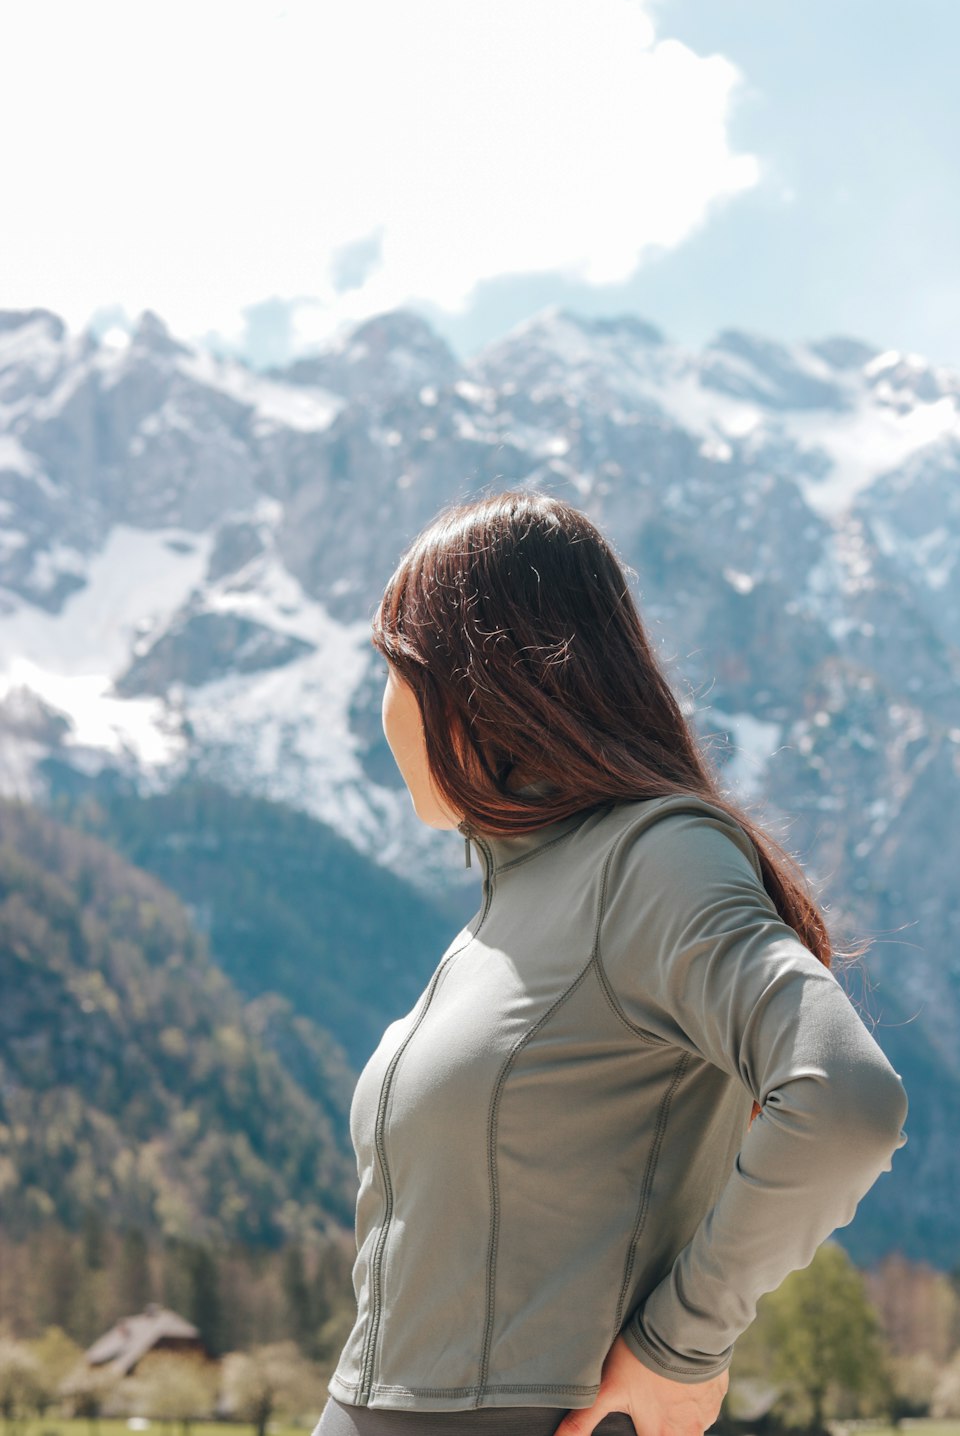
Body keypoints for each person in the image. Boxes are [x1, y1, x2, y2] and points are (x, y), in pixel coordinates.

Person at [313, 490, 909, 1436]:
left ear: (475, 685)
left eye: (393, 670)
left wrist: (681, 1348)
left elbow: (844, 1098)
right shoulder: (508, 903)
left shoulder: (652, 856)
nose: (376, 714)